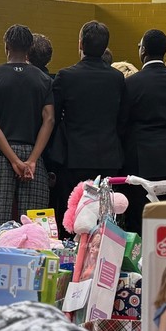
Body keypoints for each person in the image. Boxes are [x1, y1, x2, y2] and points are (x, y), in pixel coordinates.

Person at [52, 21, 125, 232]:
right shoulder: (117, 78)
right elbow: (122, 118)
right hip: (109, 156)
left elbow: (54, 118)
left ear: (80, 44)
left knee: (73, 215)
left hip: (74, 157)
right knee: (105, 217)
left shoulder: (65, 76)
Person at [119, 29, 166, 235]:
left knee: (142, 222)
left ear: (143, 51)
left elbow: (122, 123)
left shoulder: (131, 83)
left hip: (143, 162)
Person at [0, 24, 55, 225]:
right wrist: (32, 160)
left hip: (0, 155)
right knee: (35, 229)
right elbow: (49, 119)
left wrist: (14, 160)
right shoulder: (44, 79)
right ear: (30, 47)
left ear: (6, 46)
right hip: (34, 154)